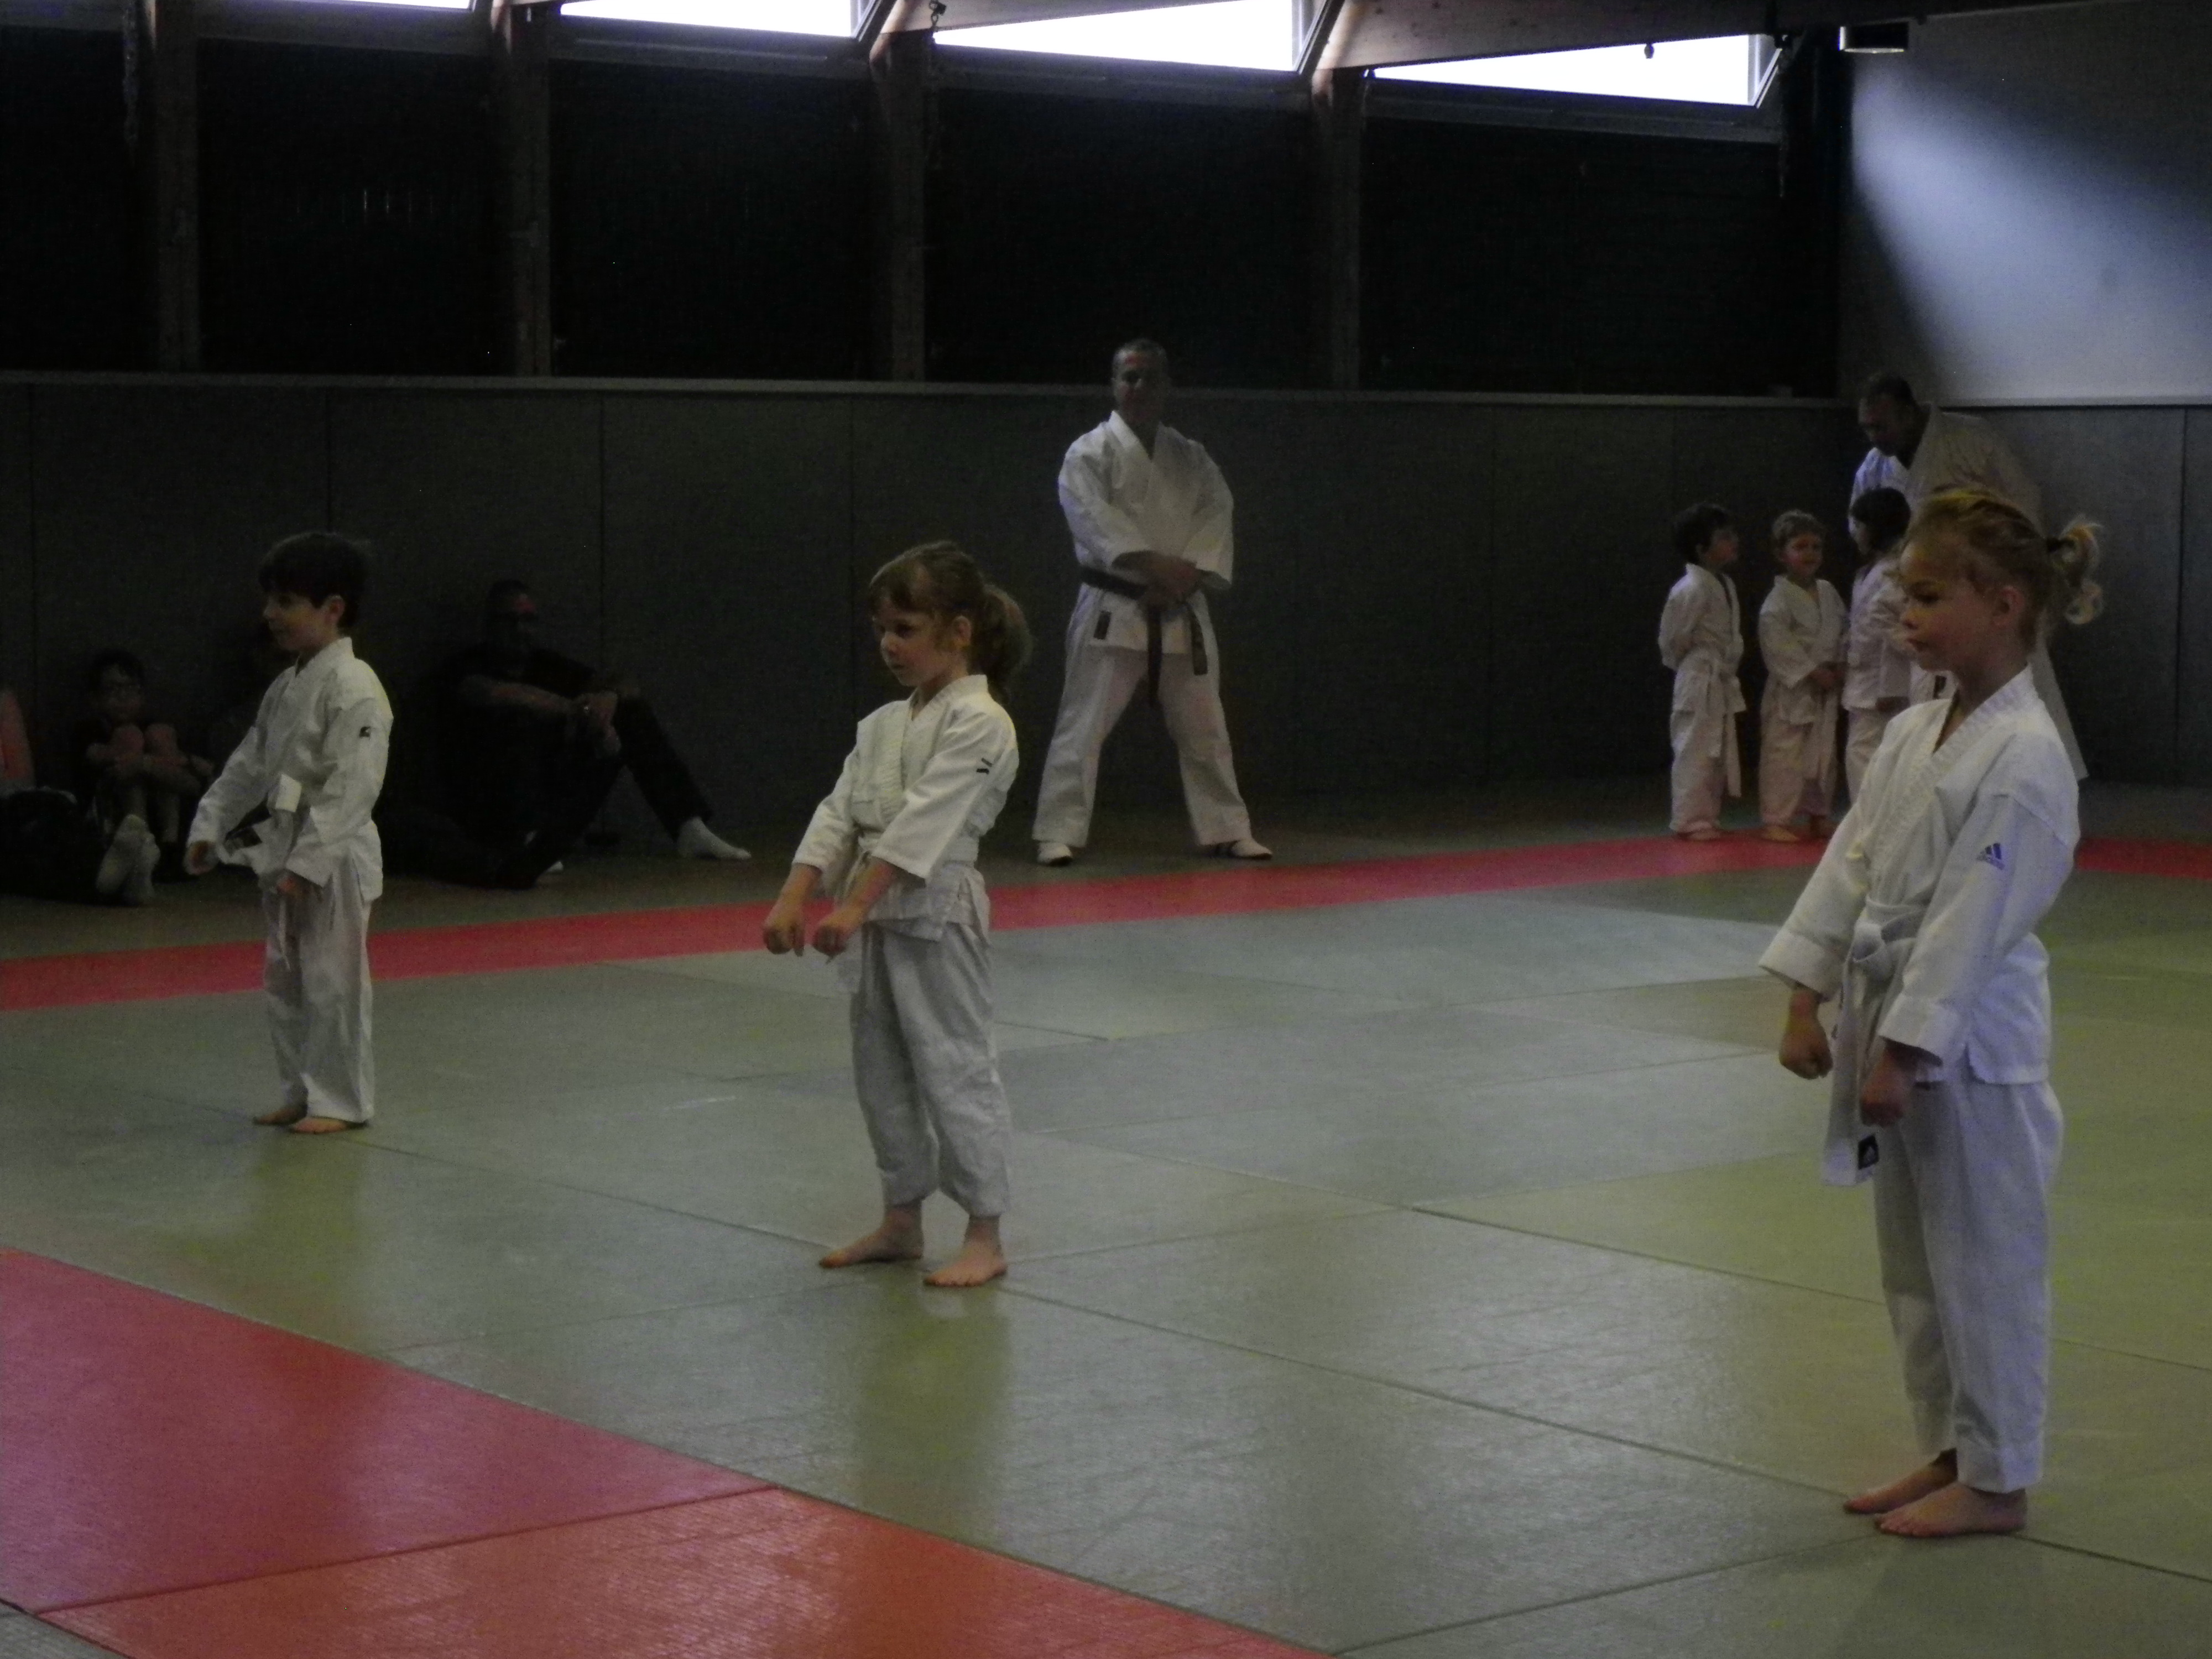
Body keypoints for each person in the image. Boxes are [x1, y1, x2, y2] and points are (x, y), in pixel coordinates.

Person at [1761, 489, 2102, 1540]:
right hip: (1894, 1024)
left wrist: (1903, 1056)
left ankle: (1999, 1479)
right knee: (1915, 1266)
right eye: (1903, 595)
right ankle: (1954, 1450)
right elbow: (1850, 865)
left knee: (1985, 1267)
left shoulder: (2027, 755)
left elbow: (1970, 921)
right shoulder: (1916, 731)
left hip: (1972, 1050)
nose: (1903, 615)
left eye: (1927, 596)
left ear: (2004, 604)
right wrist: (1807, 992)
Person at [764, 542, 1027, 1290]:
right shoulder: (882, 724)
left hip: (938, 912)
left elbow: (925, 822)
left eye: (906, 628)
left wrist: (854, 903)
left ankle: (985, 1232)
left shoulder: (982, 721)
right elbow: (839, 811)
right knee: (880, 1070)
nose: (889, 644)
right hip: (875, 917)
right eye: (881, 628)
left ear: (959, 632)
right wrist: (794, 894)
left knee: (954, 1065)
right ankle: (902, 1219)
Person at [1031, 340, 1269, 867]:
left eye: (1150, 378)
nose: (1139, 388)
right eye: (1129, 377)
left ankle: (1228, 829)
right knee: (1082, 727)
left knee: (1207, 729)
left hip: (1182, 606)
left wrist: (1183, 579)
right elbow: (1092, 520)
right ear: (1113, 385)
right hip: (1113, 604)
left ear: (1167, 387)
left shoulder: (1192, 456)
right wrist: (1156, 568)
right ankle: (1058, 832)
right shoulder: (1088, 453)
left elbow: (1217, 514)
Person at [186, 534, 391, 1134]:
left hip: (335, 854)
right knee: (286, 980)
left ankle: (341, 1102)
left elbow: (353, 787)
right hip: (285, 843)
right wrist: (210, 825)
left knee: (332, 981)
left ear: (333, 609)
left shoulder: (355, 686)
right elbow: (248, 764)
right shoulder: (286, 686)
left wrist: (308, 864)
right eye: (270, 600)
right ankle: (300, 1092)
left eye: (286, 602)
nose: (270, 614)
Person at [392, 581, 747, 890]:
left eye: (528, 620)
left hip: (552, 790)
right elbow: (499, 693)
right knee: (519, 717)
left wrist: (609, 697)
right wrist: (580, 710)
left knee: (631, 711)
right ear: (490, 625)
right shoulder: (464, 666)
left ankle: (687, 825)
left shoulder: (548, 665)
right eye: (509, 620)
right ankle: (527, 838)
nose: (520, 630)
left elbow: (625, 683)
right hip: (487, 802)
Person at [1852, 372, 2085, 779]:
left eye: (1882, 426)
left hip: (1984, 586)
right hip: (1920, 590)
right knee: (1929, 719)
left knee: (2016, 694)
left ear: (1908, 412)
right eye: (1867, 428)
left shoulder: (1971, 441)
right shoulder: (1874, 466)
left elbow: (2023, 505)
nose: (1875, 437)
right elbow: (1858, 524)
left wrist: (2019, 569)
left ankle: (2040, 776)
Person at [0, 684, 159, 906]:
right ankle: (112, 881)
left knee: (50, 810)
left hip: (13, 796)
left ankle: (119, 876)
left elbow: (22, 775)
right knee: (22, 842)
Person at [1756, 512, 1848, 844]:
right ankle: (1775, 819)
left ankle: (1818, 815)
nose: (1810, 553)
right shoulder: (1777, 602)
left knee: (1823, 756)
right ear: (1782, 554)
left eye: (1816, 547)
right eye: (1800, 547)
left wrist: (1840, 664)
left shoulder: (1828, 590)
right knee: (1785, 755)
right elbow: (1778, 646)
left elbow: (1844, 628)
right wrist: (1812, 671)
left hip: (1826, 684)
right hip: (1793, 689)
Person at [72, 649, 213, 863]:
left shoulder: (155, 731)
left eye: (131, 688)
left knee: (159, 736)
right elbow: (101, 759)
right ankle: (137, 843)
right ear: (95, 698)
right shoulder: (90, 730)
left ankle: (169, 845)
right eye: (113, 689)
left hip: (163, 815)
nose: (123, 696)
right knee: (130, 739)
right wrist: (183, 761)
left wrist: (146, 764)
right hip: (111, 816)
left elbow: (192, 785)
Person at [1658, 503, 1746, 842]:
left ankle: (1707, 815)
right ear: (1701, 548)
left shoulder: (1725, 584)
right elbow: (1672, 641)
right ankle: (1689, 819)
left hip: (1716, 675)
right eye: (1724, 537)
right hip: (1697, 676)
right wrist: (1694, 666)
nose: (1734, 541)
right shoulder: (1690, 588)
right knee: (1694, 748)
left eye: (1733, 534)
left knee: (1715, 750)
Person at [1842, 488, 1917, 801]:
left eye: (1859, 526)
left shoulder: (1894, 572)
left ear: (1876, 528)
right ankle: (1870, 821)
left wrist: (1891, 688)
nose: (1855, 532)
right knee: (1866, 754)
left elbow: (1892, 632)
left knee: (1865, 755)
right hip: (1862, 680)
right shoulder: (1869, 572)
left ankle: (1869, 824)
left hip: (1881, 687)